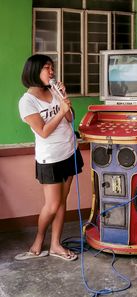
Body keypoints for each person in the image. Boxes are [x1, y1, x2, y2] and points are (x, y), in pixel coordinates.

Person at [16, 54, 84, 261]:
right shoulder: (26, 102)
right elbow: (43, 131)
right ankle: (39, 238)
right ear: (34, 71)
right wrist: (60, 111)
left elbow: (70, 117)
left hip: (69, 151)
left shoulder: (54, 90)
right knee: (52, 205)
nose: (52, 72)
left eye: (52, 67)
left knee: (63, 202)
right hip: (50, 158)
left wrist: (63, 98)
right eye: (47, 68)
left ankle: (55, 244)